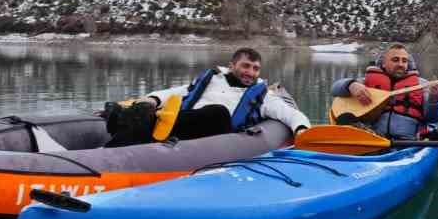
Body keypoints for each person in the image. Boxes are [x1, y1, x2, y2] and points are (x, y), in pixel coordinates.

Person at [107, 47, 309, 145]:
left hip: (218, 132)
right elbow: (179, 91)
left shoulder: (263, 96)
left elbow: (289, 114)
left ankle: (147, 121)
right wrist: (153, 100)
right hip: (183, 124)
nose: (250, 72)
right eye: (245, 66)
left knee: (217, 112)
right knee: (145, 113)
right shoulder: (213, 79)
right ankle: (126, 123)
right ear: (232, 66)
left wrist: (301, 130)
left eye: (255, 68)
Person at [330, 43, 438, 139]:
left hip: (408, 142)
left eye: (404, 61)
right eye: (395, 60)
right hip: (374, 138)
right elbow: (335, 89)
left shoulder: (422, 85)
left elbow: (433, 118)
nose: (400, 64)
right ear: (383, 63)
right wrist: (351, 85)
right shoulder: (366, 82)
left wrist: (434, 99)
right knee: (344, 118)